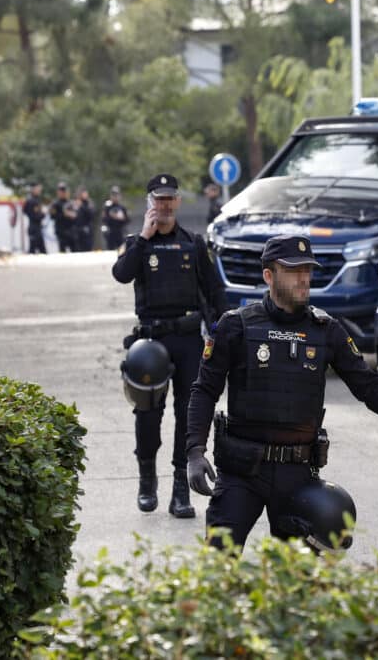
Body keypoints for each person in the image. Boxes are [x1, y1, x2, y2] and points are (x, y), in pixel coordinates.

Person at [185, 234, 378, 549]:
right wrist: (195, 451)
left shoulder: (325, 330)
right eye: (293, 270)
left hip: (297, 474)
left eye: (307, 269)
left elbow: (368, 384)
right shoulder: (236, 326)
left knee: (301, 580)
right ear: (269, 276)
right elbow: (205, 390)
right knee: (219, 565)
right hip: (241, 470)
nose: (304, 278)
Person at [112, 173, 228, 518]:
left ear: (177, 202)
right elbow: (121, 274)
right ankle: (147, 479)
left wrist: (222, 329)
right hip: (150, 342)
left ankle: (182, 489)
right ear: (150, 203)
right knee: (148, 414)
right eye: (157, 199)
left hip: (188, 339)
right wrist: (143, 239)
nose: (163, 205)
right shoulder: (137, 242)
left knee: (187, 414)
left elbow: (214, 289)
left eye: (169, 199)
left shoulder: (193, 243)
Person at [50, 182, 76, 252]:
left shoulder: (71, 203)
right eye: (61, 191)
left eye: (65, 191)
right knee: (62, 251)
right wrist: (63, 214)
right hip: (61, 231)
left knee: (74, 250)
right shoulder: (55, 204)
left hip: (71, 230)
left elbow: (76, 216)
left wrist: (70, 214)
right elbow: (52, 216)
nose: (64, 193)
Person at [22, 183, 46, 254]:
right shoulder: (32, 201)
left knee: (39, 250)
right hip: (34, 229)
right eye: (38, 189)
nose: (39, 191)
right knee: (34, 250)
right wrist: (43, 214)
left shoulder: (35, 200)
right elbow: (35, 216)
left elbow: (25, 211)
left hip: (36, 228)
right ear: (33, 190)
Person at [102, 186, 129, 250]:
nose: (115, 197)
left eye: (116, 195)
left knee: (122, 251)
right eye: (113, 195)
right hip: (110, 232)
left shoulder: (122, 207)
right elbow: (104, 220)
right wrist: (111, 216)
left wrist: (121, 218)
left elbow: (127, 220)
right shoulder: (107, 207)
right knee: (110, 250)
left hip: (120, 232)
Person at [74, 187, 94, 252]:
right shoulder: (75, 202)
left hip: (87, 229)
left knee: (87, 248)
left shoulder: (89, 203)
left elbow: (91, 214)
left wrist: (82, 206)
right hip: (77, 229)